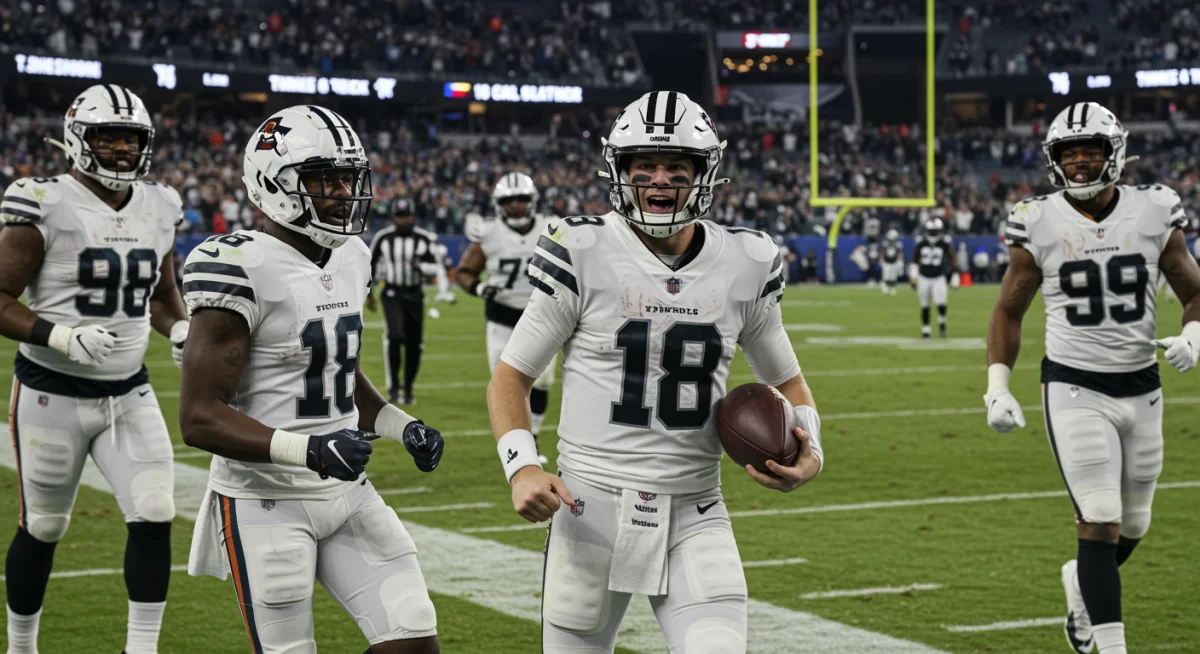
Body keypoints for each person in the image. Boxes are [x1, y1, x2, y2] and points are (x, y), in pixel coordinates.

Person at [486, 91, 824, 653]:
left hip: (695, 507)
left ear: (704, 174)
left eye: (676, 166)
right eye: (644, 165)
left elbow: (788, 383)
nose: (660, 179)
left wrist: (812, 449)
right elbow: (511, 377)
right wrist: (521, 467)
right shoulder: (582, 249)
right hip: (587, 505)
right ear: (620, 172)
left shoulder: (746, 262)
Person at [179, 106, 445, 654]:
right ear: (273, 183)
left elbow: (335, 371)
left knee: (413, 634)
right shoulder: (238, 265)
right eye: (325, 178)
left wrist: (401, 425)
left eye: (349, 177)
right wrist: (311, 450)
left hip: (347, 492)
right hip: (264, 498)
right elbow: (199, 418)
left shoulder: (353, 256)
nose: (343, 192)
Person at [984, 101, 1200, 654]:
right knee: (1100, 517)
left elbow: (1194, 291)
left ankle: (1080, 582)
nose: (1079, 161)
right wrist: (997, 386)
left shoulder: (1154, 209)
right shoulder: (1037, 219)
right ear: (1054, 159)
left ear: (1115, 153)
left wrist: (1194, 335)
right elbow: (1009, 309)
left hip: (1142, 384)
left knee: (1135, 524)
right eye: (1069, 153)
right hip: (1074, 385)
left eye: (1091, 150)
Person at [0, 84, 187, 654]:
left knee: (155, 509)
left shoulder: (161, 205)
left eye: (132, 139)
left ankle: (141, 650)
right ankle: (22, 647)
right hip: (51, 391)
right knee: (45, 526)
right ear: (79, 139)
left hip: (129, 391)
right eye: (109, 137)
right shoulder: (43, 202)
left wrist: (181, 329)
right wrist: (59, 335)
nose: (123, 149)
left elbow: (162, 296)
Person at [456, 172, 556, 464]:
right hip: (501, 317)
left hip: (541, 316)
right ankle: (516, 448)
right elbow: (465, 272)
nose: (515, 205)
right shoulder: (488, 233)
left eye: (521, 199)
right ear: (499, 204)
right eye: (509, 200)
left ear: (532, 201)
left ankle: (532, 438)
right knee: (506, 385)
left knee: (543, 381)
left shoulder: (552, 229)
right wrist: (479, 287)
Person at [366, 200, 441, 405]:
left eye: (406, 216)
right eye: (399, 217)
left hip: (415, 294)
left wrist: (420, 267)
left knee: (414, 344)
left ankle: (408, 388)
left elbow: (436, 268)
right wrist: (369, 294)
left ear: (413, 217)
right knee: (395, 335)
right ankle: (393, 387)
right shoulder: (383, 237)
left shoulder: (424, 238)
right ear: (393, 218)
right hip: (392, 292)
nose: (403, 220)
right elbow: (369, 265)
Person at [910, 217, 957, 338]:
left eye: (934, 231)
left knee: (941, 303)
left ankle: (942, 322)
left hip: (938, 277)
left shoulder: (944, 244)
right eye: (931, 231)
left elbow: (952, 259)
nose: (933, 233)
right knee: (924, 305)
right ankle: (926, 329)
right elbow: (915, 261)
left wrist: (954, 274)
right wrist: (913, 278)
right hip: (924, 277)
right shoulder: (921, 244)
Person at [880, 228, 904, 295]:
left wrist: (901, 262)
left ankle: (893, 289)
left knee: (893, 277)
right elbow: (883, 252)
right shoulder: (885, 243)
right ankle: (885, 288)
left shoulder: (898, 244)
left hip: (894, 261)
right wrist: (881, 260)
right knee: (886, 277)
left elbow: (900, 253)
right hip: (887, 262)